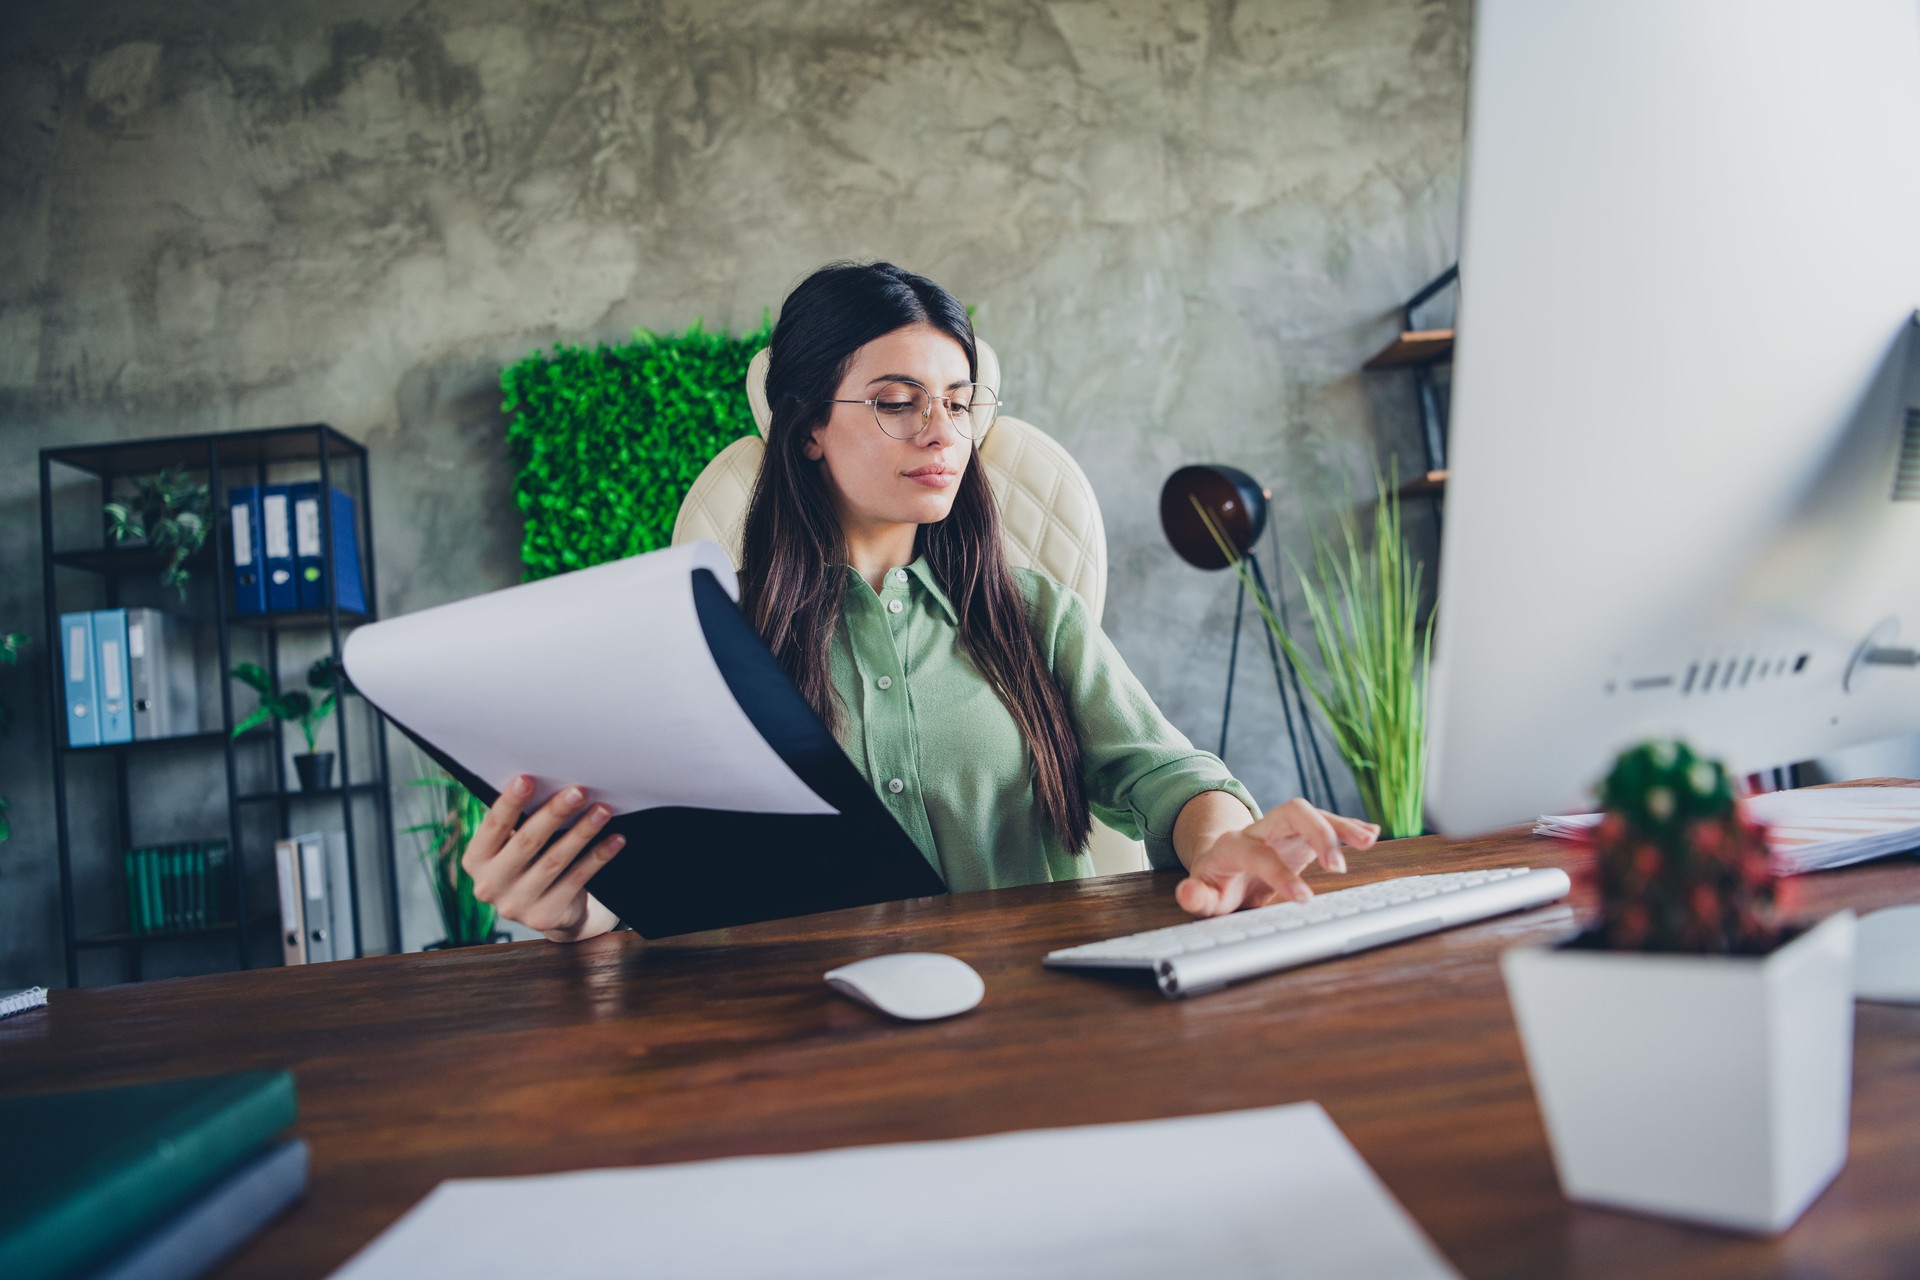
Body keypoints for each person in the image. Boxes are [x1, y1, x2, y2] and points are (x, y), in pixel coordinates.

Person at [465, 261, 1379, 942]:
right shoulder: (706, 645)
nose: (943, 432)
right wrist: (568, 911)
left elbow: (1170, 779)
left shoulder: (1031, 612)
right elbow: (653, 899)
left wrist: (1219, 838)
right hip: (792, 1056)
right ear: (810, 425)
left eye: (957, 400)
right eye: (899, 402)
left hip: (1033, 1027)